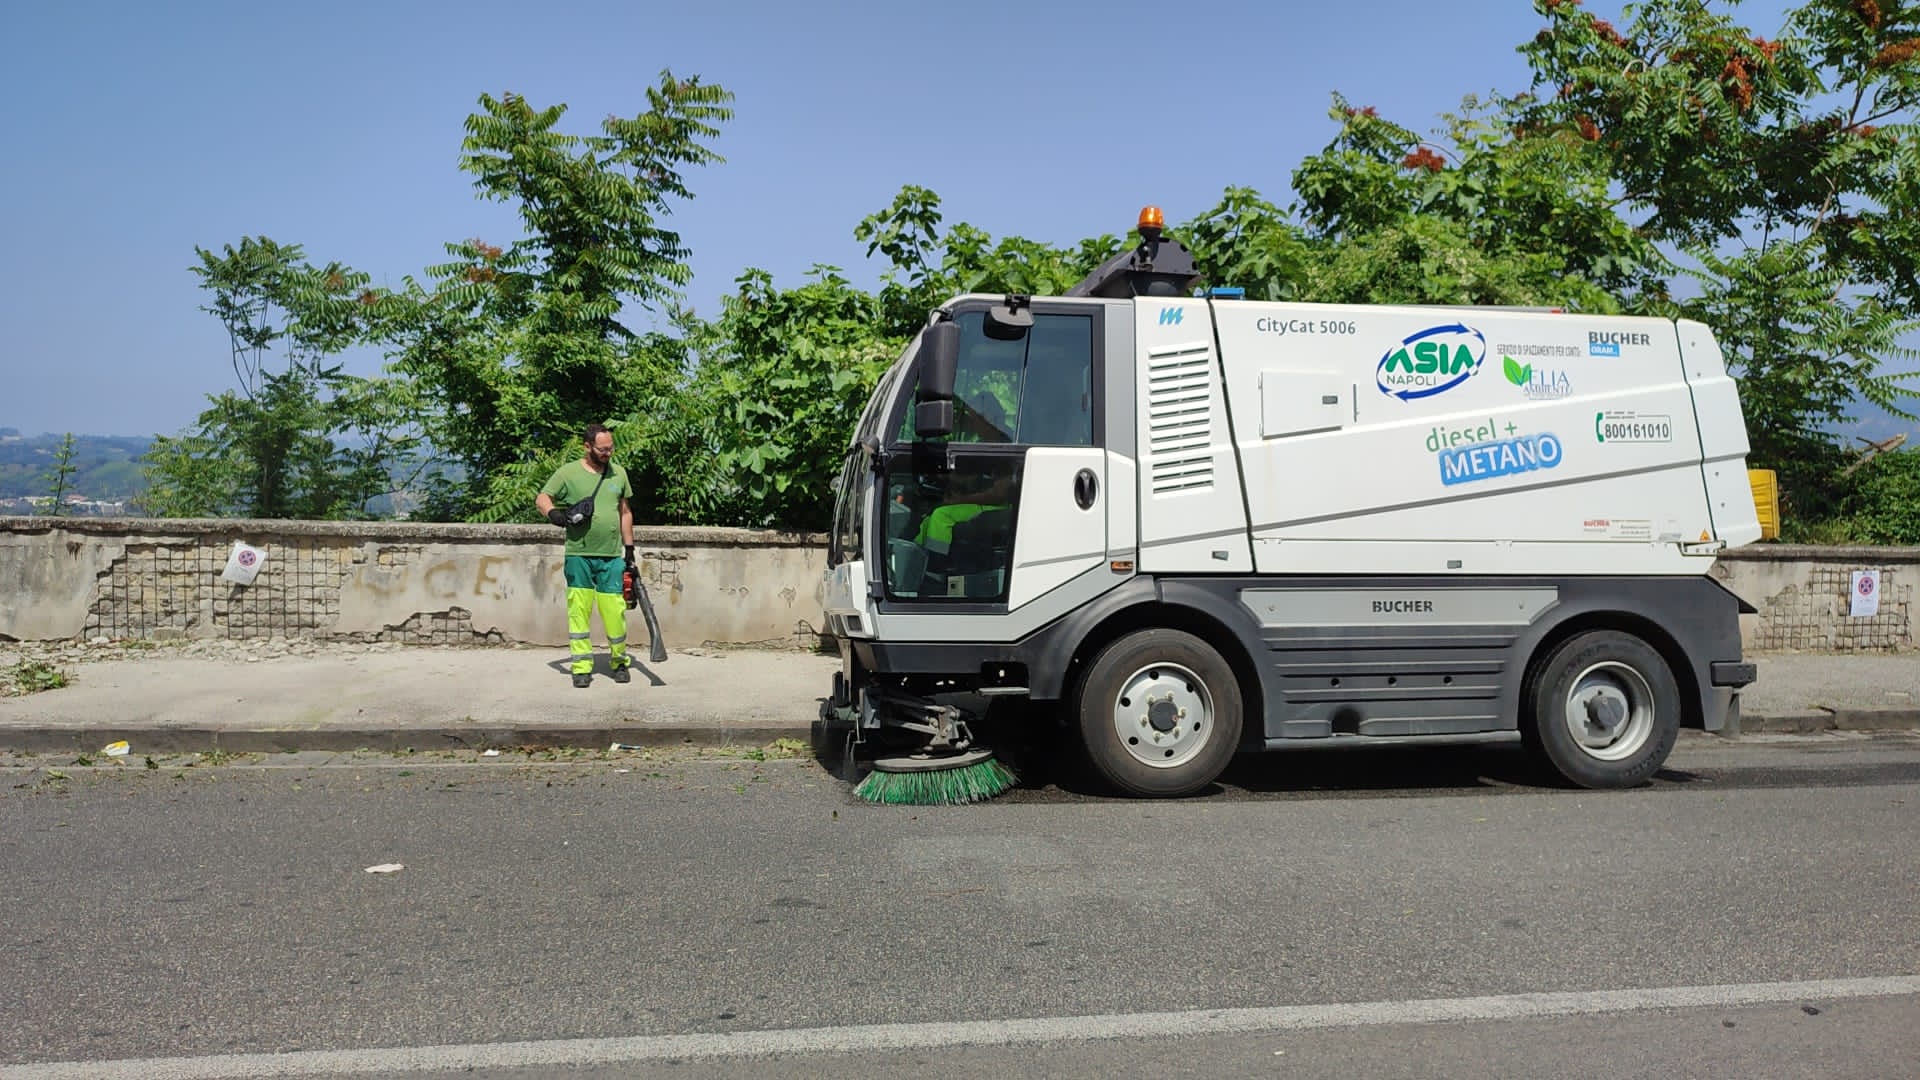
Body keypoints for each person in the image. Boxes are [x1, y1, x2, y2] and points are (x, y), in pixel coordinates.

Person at [535, 424, 635, 688]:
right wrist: (554, 514)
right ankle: (581, 667)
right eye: (602, 449)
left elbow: (625, 512)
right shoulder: (568, 473)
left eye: (611, 448)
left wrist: (629, 549)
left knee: (615, 610)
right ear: (587, 447)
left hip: (611, 555)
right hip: (579, 554)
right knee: (578, 610)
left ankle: (619, 661)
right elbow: (542, 497)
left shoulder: (619, 474)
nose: (608, 453)